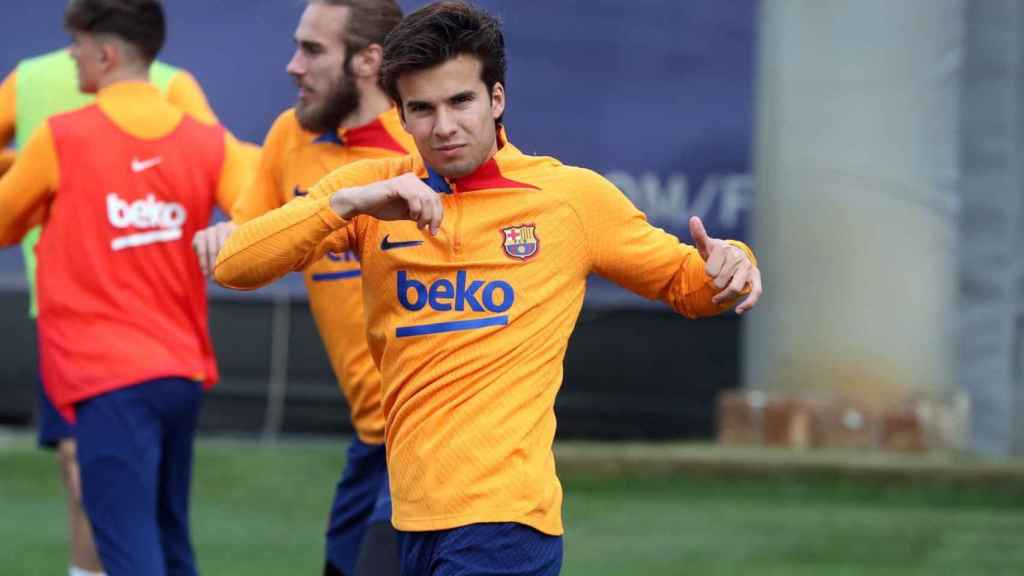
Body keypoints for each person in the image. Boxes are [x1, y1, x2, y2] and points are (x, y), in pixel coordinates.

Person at [214, 1, 763, 574]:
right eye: (422, 109)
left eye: (461, 101)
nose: (444, 126)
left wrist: (734, 262)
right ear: (400, 114)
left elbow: (687, 282)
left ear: (496, 99)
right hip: (410, 516)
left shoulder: (569, 199)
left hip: (506, 522)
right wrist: (340, 206)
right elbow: (234, 264)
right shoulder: (373, 192)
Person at [0, 0, 251, 574]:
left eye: (77, 45)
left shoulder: (61, 138)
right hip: (181, 375)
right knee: (169, 545)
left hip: (107, 378)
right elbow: (255, 210)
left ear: (105, 53)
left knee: (129, 554)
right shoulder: (206, 141)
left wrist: (18, 167)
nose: (71, 55)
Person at [192, 1, 410, 574]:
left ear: (369, 60)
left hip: (430, 430)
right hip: (371, 437)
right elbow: (247, 238)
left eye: (312, 49)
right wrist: (226, 235)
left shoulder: (423, 146)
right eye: (297, 46)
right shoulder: (290, 135)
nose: (292, 65)